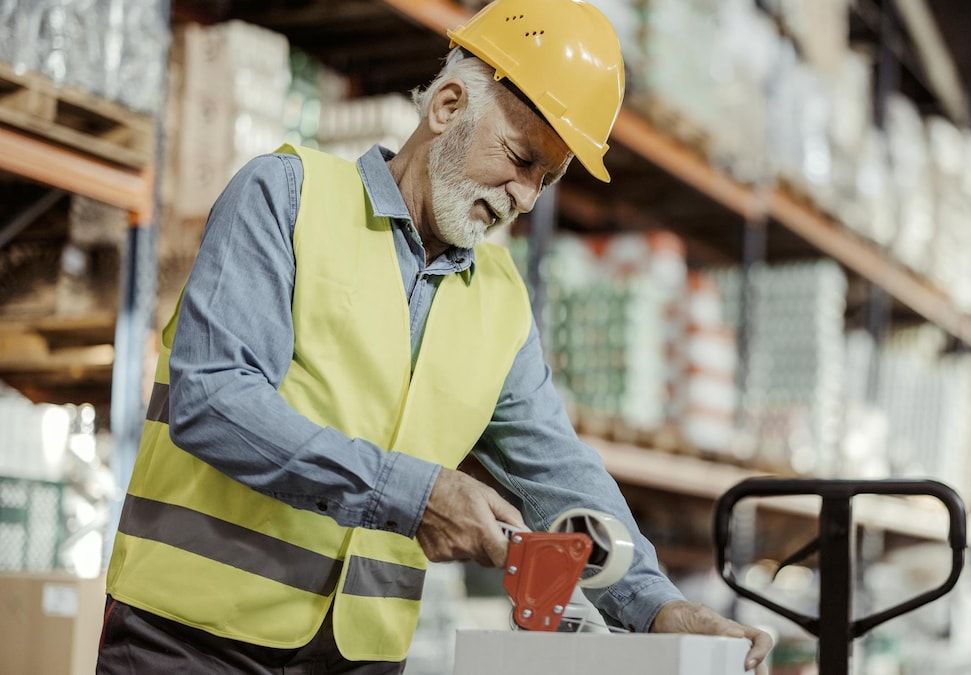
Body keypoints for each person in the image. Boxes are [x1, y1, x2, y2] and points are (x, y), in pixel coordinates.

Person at [95, 0, 773, 672]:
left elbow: (558, 475)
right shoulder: (286, 197)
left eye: (545, 178)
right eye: (518, 157)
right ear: (447, 106)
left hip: (356, 660)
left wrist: (655, 605)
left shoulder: (502, 301)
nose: (526, 197)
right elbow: (213, 400)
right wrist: (413, 496)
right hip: (189, 641)